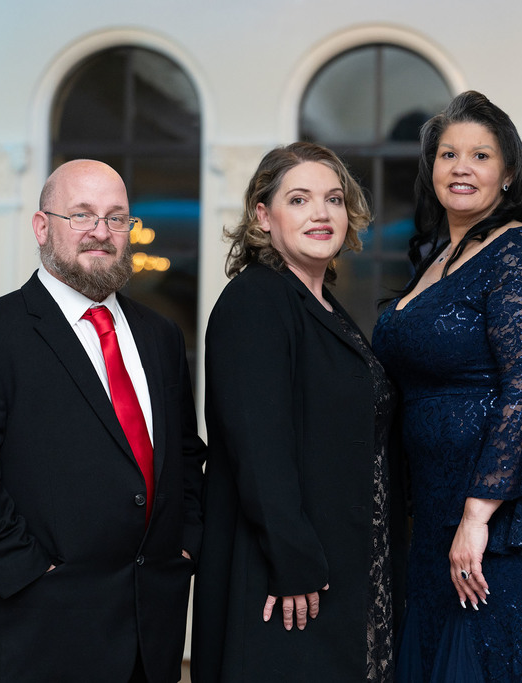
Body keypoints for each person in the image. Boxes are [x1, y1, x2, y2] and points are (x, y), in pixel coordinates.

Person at [0, 159, 206, 682]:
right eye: (82, 215)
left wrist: (185, 543)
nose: (101, 231)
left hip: (150, 635)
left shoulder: (160, 336)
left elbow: (184, 453)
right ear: (42, 226)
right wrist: (31, 575)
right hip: (31, 635)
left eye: (116, 218)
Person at [372, 90, 522, 682]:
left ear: (509, 173)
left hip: (502, 520)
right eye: (447, 154)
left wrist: (478, 513)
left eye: (480, 156)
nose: (461, 167)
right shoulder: (435, 257)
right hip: (439, 509)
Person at [191, 141, 407, 683]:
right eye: (300, 198)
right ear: (263, 217)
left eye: (334, 199)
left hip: (348, 561)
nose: (321, 212)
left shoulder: (324, 305)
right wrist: (294, 562)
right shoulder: (256, 301)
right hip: (291, 577)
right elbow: (259, 450)